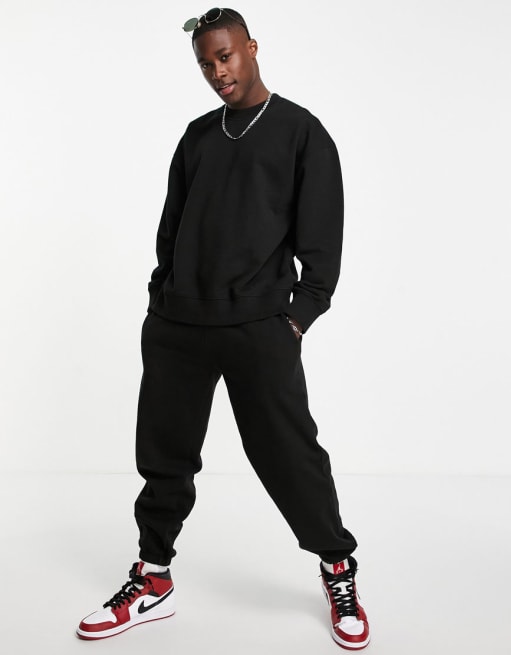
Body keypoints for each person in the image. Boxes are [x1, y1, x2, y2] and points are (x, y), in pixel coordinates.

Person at [76, 7, 370, 650]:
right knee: (164, 458)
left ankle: (337, 567)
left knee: (289, 456)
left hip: (259, 327)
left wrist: (297, 318)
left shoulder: (301, 133)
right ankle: (152, 578)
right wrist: (161, 298)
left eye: (226, 56)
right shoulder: (198, 136)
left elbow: (323, 246)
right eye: (206, 63)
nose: (217, 72)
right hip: (178, 324)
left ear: (252, 48)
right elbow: (172, 228)